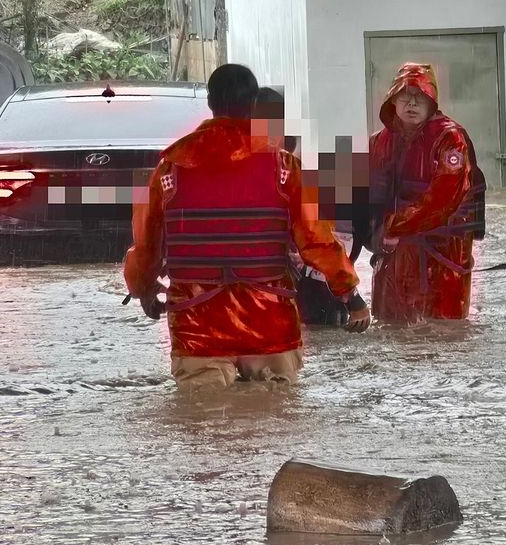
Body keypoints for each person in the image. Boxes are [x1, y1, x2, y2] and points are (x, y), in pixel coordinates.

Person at [123, 64, 370, 389]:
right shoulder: (284, 167)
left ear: (210, 102)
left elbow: (147, 243)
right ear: (254, 105)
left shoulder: (171, 167)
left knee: (204, 423)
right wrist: (351, 296)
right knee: (275, 424)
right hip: (269, 325)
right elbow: (316, 240)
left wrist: (143, 289)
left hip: (198, 326)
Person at [368, 62, 484, 323]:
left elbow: (445, 198)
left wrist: (395, 226)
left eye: (420, 96)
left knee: (442, 331)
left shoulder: (451, 139)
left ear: (432, 102)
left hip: (442, 255)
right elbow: (368, 197)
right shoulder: (379, 142)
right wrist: (373, 235)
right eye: (405, 95)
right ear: (393, 100)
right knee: (391, 328)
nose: (412, 103)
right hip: (392, 258)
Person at [253, 86, 367, 328]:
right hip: (281, 282)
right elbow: (319, 238)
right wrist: (351, 295)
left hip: (298, 279)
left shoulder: (298, 168)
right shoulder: (289, 168)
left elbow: (329, 236)